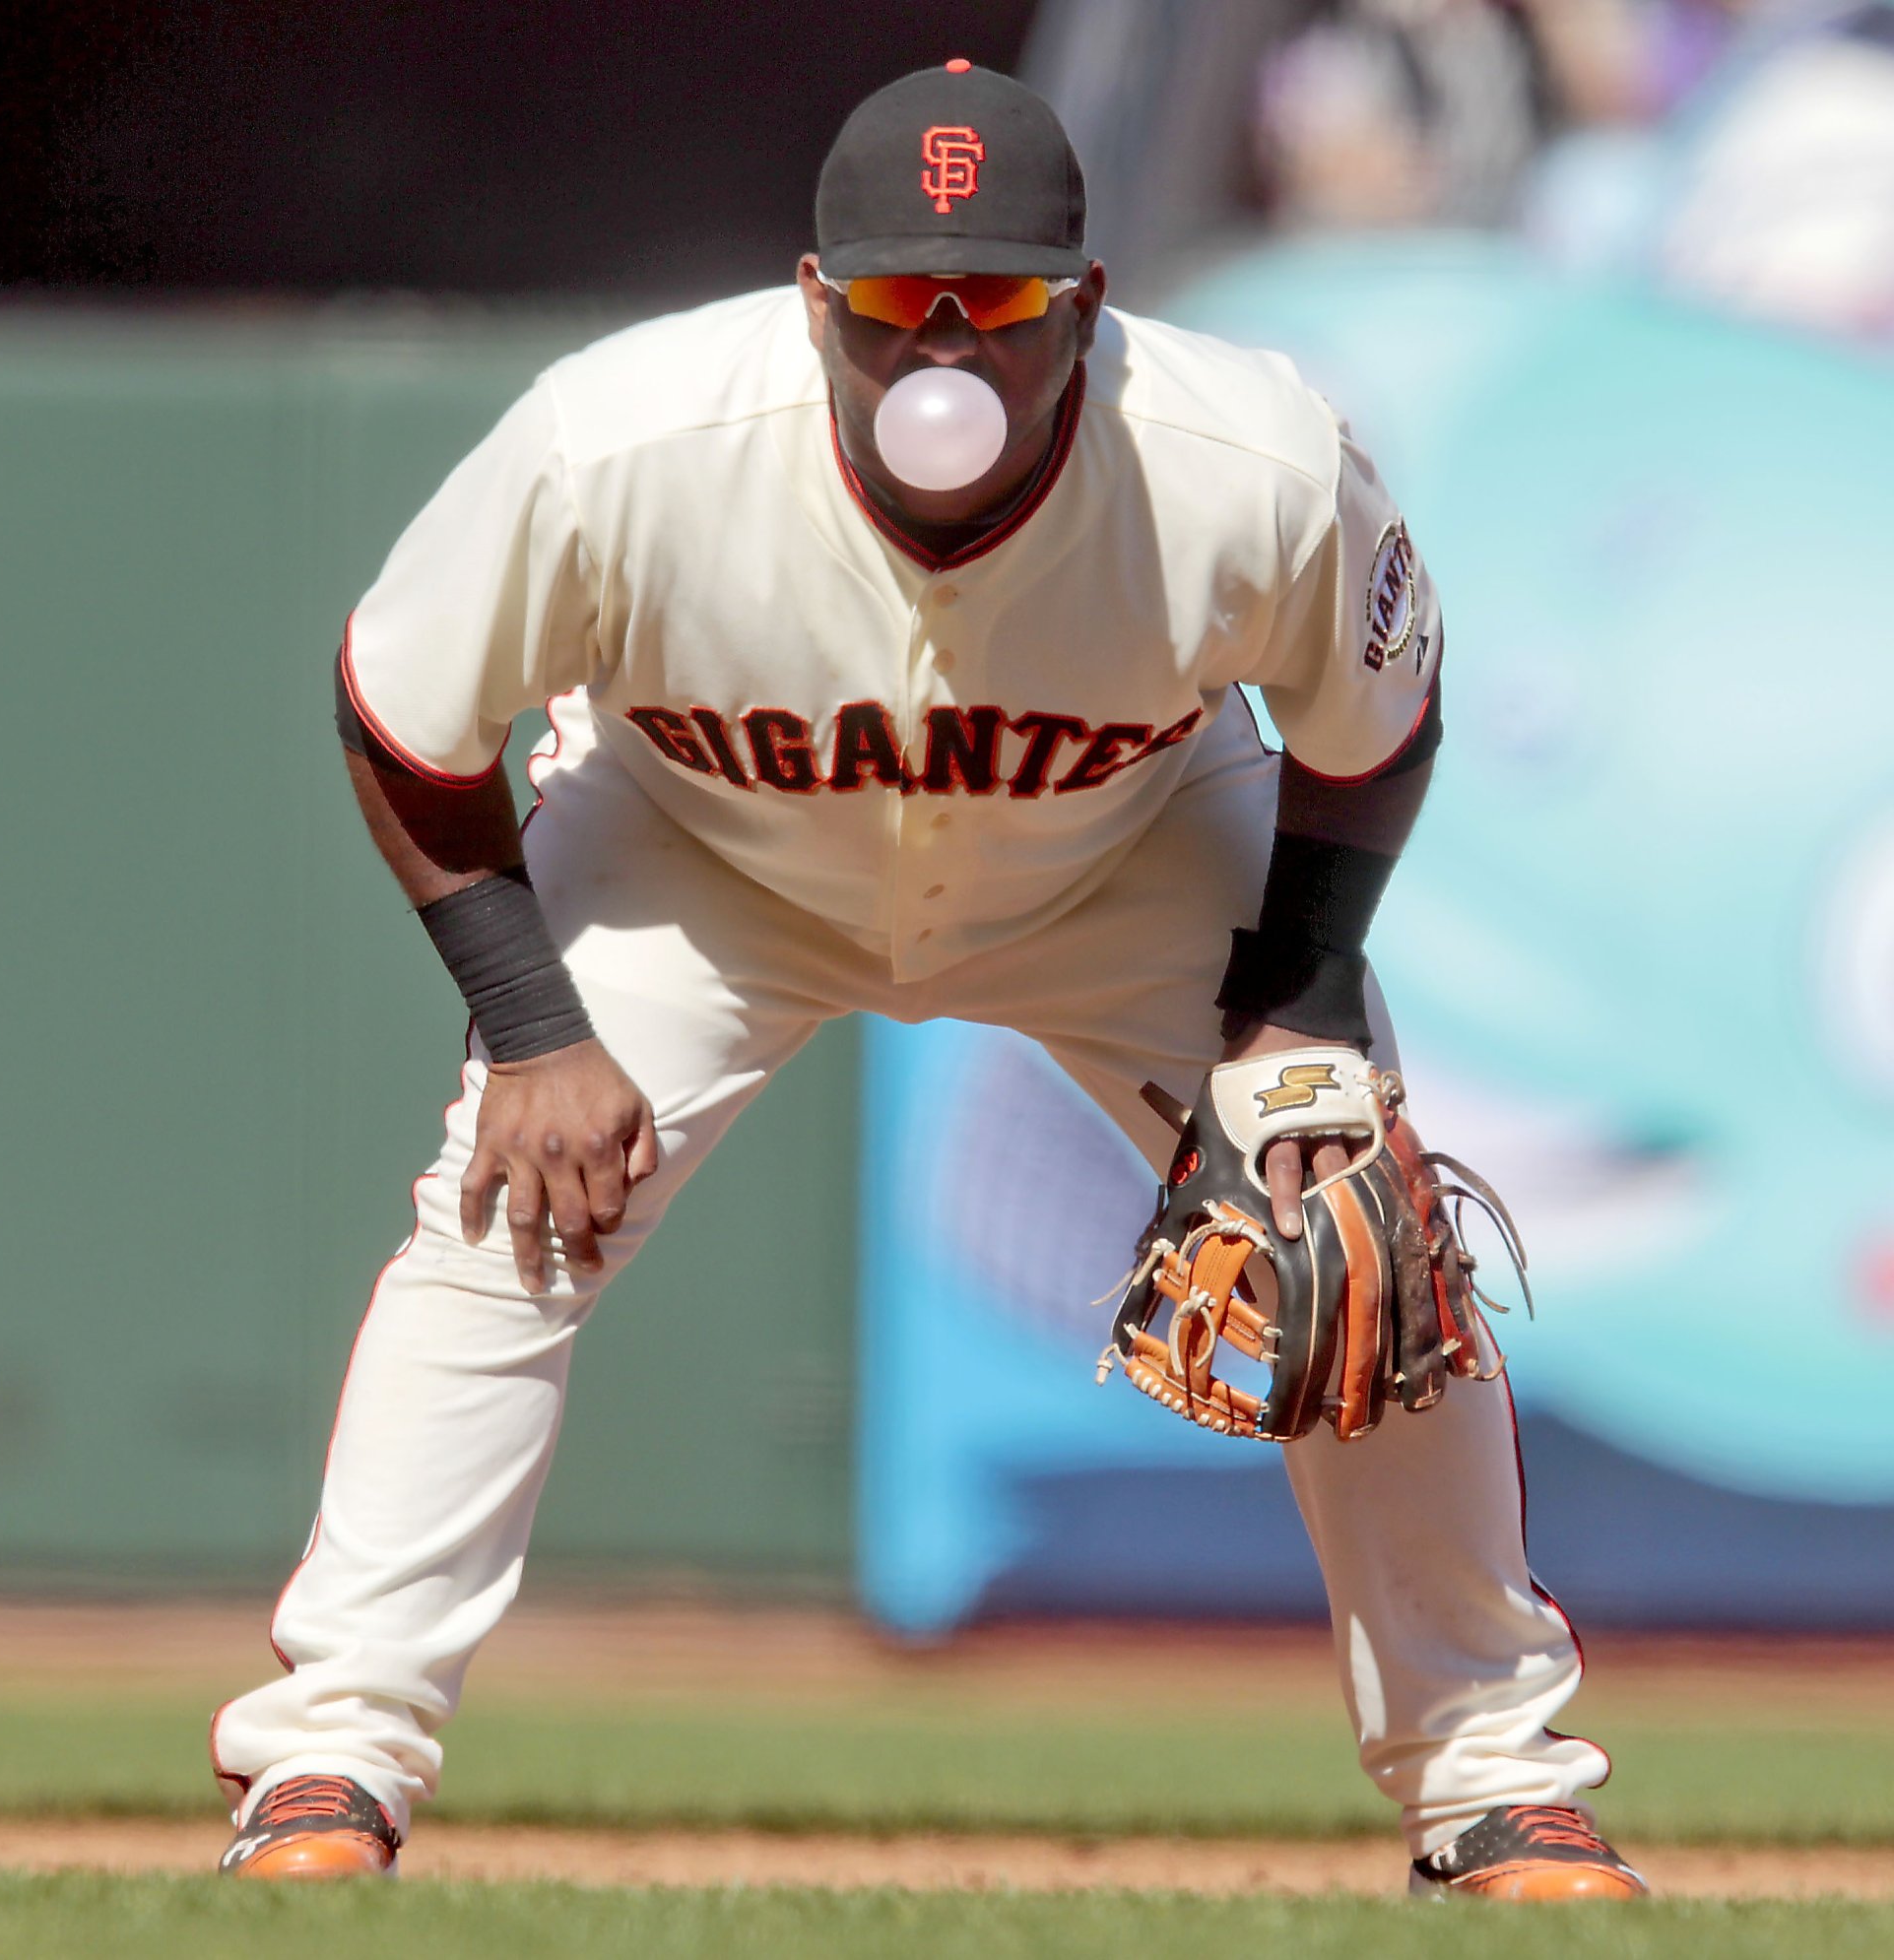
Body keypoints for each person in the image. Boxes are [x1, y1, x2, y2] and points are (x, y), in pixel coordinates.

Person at [209, 61, 1645, 1900]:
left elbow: (1377, 727)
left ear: (1090, 310)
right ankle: (326, 1770)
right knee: (504, 1221)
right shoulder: (624, 441)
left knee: (1359, 1230)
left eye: (996, 307)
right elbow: (400, 714)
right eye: (892, 304)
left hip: (1121, 848)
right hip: (703, 852)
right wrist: (531, 1021)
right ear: (816, 302)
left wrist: (1296, 999)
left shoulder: (1243, 456)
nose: (938, 351)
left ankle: (1497, 1785)